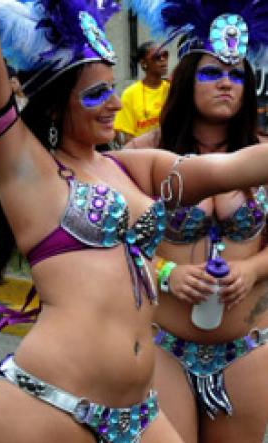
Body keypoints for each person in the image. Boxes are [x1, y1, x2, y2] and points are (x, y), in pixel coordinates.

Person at [0, 1, 268, 442]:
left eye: (112, 88)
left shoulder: (129, 167)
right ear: (52, 106)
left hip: (138, 413)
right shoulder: (27, 169)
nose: (114, 103)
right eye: (95, 94)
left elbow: (232, 169)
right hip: (48, 407)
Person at [125, 1, 268, 442]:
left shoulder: (264, 155)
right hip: (163, 344)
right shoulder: (142, 157)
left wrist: (251, 269)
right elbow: (110, 252)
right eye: (212, 73)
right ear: (187, 81)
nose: (227, 83)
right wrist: (166, 273)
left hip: (247, 346)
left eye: (237, 75)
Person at [113, 41, 169, 145]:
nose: (163, 60)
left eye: (165, 55)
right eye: (157, 57)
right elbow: (127, 138)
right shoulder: (130, 94)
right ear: (144, 63)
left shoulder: (172, 89)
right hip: (143, 154)